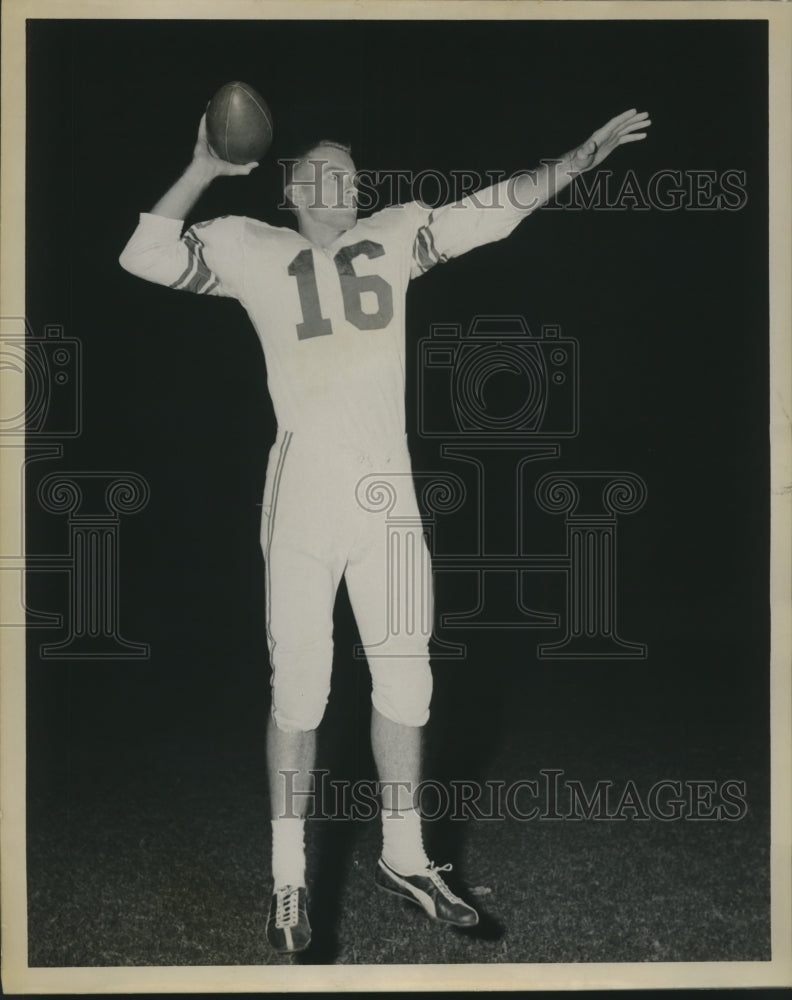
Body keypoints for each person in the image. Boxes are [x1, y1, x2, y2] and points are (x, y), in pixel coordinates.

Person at [119, 105, 650, 954]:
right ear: (290, 185)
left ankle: (406, 856)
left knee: (408, 682)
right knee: (301, 689)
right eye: (326, 171)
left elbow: (496, 207)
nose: (347, 183)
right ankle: (288, 878)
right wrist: (206, 168)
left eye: (354, 172)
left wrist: (578, 159)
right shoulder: (248, 244)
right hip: (302, 493)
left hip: (389, 497)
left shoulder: (397, 232)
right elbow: (142, 253)